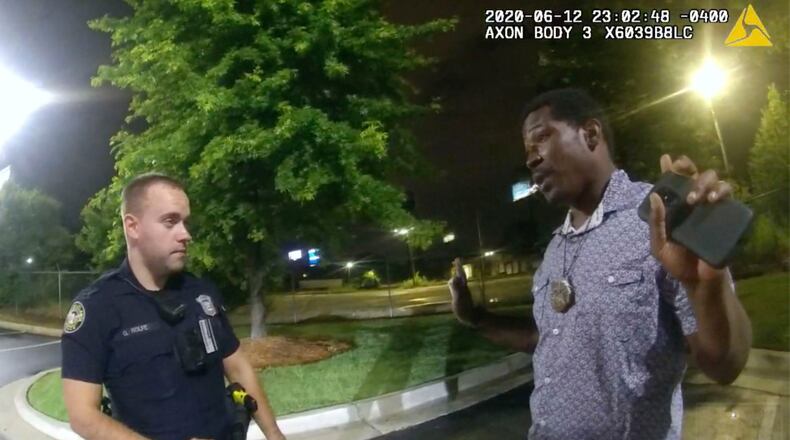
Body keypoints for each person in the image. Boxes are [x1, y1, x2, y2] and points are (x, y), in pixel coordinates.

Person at [448, 89, 752, 439]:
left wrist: (706, 289)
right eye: (527, 150)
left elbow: (725, 364)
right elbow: (545, 339)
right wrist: (474, 317)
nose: (531, 160)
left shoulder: (661, 219)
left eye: (541, 139)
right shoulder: (554, 249)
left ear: (590, 134)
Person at [61, 173, 286, 440]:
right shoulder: (96, 307)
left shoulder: (201, 292)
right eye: (170, 221)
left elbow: (236, 365)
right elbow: (83, 416)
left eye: (185, 222)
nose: (186, 235)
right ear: (132, 227)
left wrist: (274, 434)